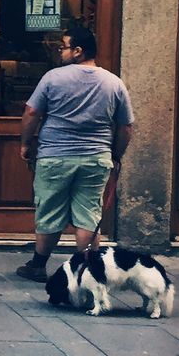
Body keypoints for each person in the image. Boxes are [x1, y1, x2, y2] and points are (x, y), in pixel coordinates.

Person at [15, 24, 135, 283]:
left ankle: (38, 266)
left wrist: (26, 143)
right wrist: (115, 155)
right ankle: (88, 270)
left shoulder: (53, 78)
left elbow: (32, 113)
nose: (60, 51)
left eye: (64, 47)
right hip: (96, 158)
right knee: (88, 215)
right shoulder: (114, 83)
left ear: (78, 51)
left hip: (55, 156)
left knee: (49, 210)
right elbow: (125, 126)